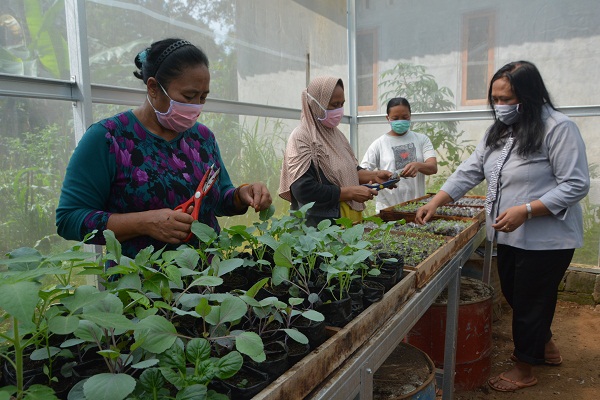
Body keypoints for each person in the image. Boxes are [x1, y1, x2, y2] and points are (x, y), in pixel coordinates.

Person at [415, 61, 590, 392]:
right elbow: (471, 169)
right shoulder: (500, 132)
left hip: (546, 239)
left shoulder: (558, 128)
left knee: (529, 302)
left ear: (529, 94)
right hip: (510, 234)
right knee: (516, 294)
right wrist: (437, 201)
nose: (500, 105)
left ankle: (526, 368)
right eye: (495, 98)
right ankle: (545, 345)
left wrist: (526, 210)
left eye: (507, 98)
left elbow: (576, 185)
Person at [56, 38, 272, 259]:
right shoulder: (108, 138)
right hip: (142, 284)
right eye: (188, 96)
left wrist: (242, 195)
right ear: (153, 88)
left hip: (210, 281)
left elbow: (219, 201)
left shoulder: (202, 138)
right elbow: (69, 219)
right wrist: (145, 223)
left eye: (203, 97)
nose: (196, 106)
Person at [278, 76, 393, 226]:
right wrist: (349, 193)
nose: (339, 110)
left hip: (347, 217)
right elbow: (303, 189)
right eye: (333, 105)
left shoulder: (336, 134)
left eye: (342, 104)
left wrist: (374, 176)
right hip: (320, 225)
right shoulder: (302, 137)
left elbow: (348, 170)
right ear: (315, 104)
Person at [360, 97, 437, 212]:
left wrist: (418, 165)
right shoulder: (379, 144)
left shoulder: (422, 140)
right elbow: (363, 173)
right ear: (388, 118)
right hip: (388, 208)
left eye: (405, 117)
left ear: (410, 116)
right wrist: (377, 177)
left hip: (417, 207)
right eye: (395, 118)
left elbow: (433, 168)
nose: (400, 121)